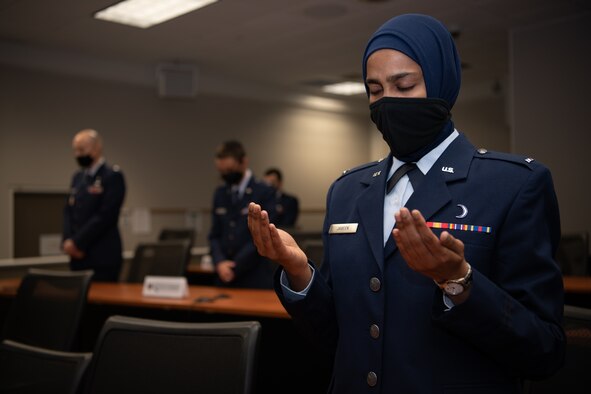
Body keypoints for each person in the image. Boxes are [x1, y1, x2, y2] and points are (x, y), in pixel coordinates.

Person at [248, 13, 565, 393]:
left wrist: (460, 282)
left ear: (441, 82)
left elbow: (544, 350)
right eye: (376, 90)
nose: (388, 102)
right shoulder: (347, 190)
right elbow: (338, 335)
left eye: (404, 85)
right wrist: (298, 271)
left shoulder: (514, 185)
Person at [208, 141, 277, 289]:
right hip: (224, 277)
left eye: (230, 169)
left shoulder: (264, 191)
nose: (226, 175)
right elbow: (214, 235)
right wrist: (220, 262)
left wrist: (234, 266)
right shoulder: (220, 193)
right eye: (222, 172)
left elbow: (264, 235)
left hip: (254, 277)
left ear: (243, 162)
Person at [62, 129, 126, 281]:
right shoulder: (78, 178)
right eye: (75, 150)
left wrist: (77, 242)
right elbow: (68, 211)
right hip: (77, 257)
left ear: (97, 148)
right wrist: (68, 242)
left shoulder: (112, 176)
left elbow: (105, 216)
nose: (78, 154)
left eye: (82, 149)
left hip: (102, 255)